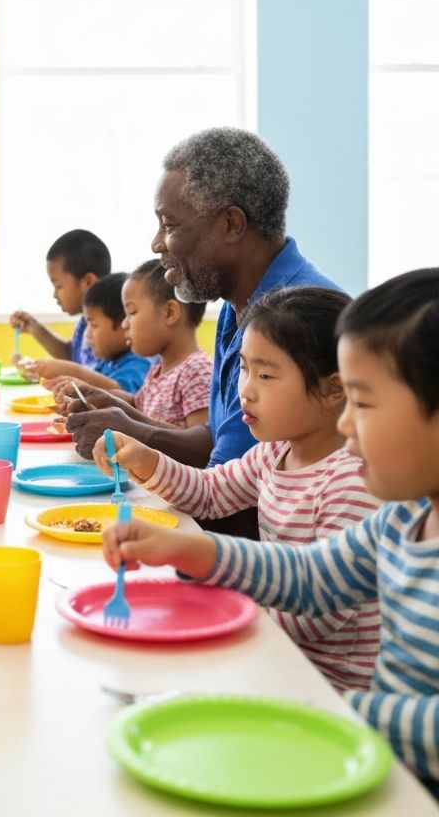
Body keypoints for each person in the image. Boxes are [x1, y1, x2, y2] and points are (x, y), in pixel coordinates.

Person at [102, 269, 439, 796]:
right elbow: (311, 575)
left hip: (353, 727)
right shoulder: (401, 520)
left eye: (364, 404)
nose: (347, 424)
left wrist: (332, 706)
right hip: (339, 726)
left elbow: (323, 619)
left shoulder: (356, 487)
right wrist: (188, 548)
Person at [95, 286, 381, 691]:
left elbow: (318, 614)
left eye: (265, 375)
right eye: (244, 369)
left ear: (333, 388)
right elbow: (210, 493)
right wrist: (147, 459)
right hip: (271, 656)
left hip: (328, 685)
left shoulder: (350, 482)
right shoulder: (274, 452)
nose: (245, 390)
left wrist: (214, 597)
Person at [66, 127, 342, 540]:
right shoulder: (237, 304)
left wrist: (138, 432)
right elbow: (221, 449)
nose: (157, 243)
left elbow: (235, 506)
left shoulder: (297, 321)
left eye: (169, 224)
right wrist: (131, 426)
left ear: (231, 224)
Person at [119, 259, 212, 427]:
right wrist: (96, 397)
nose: (124, 324)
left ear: (169, 313)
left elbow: (201, 440)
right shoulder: (158, 371)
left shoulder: (197, 371)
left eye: (132, 312)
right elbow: (137, 406)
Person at [24, 273, 151, 394]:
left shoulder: (140, 364)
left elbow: (123, 396)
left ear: (124, 325)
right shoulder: (106, 361)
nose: (87, 334)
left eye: (93, 325)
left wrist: (72, 371)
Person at [10, 229, 111, 371]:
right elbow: (72, 356)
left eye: (58, 286)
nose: (54, 294)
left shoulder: (108, 327)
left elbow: (95, 375)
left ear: (88, 282)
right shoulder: (85, 321)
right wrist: (35, 327)